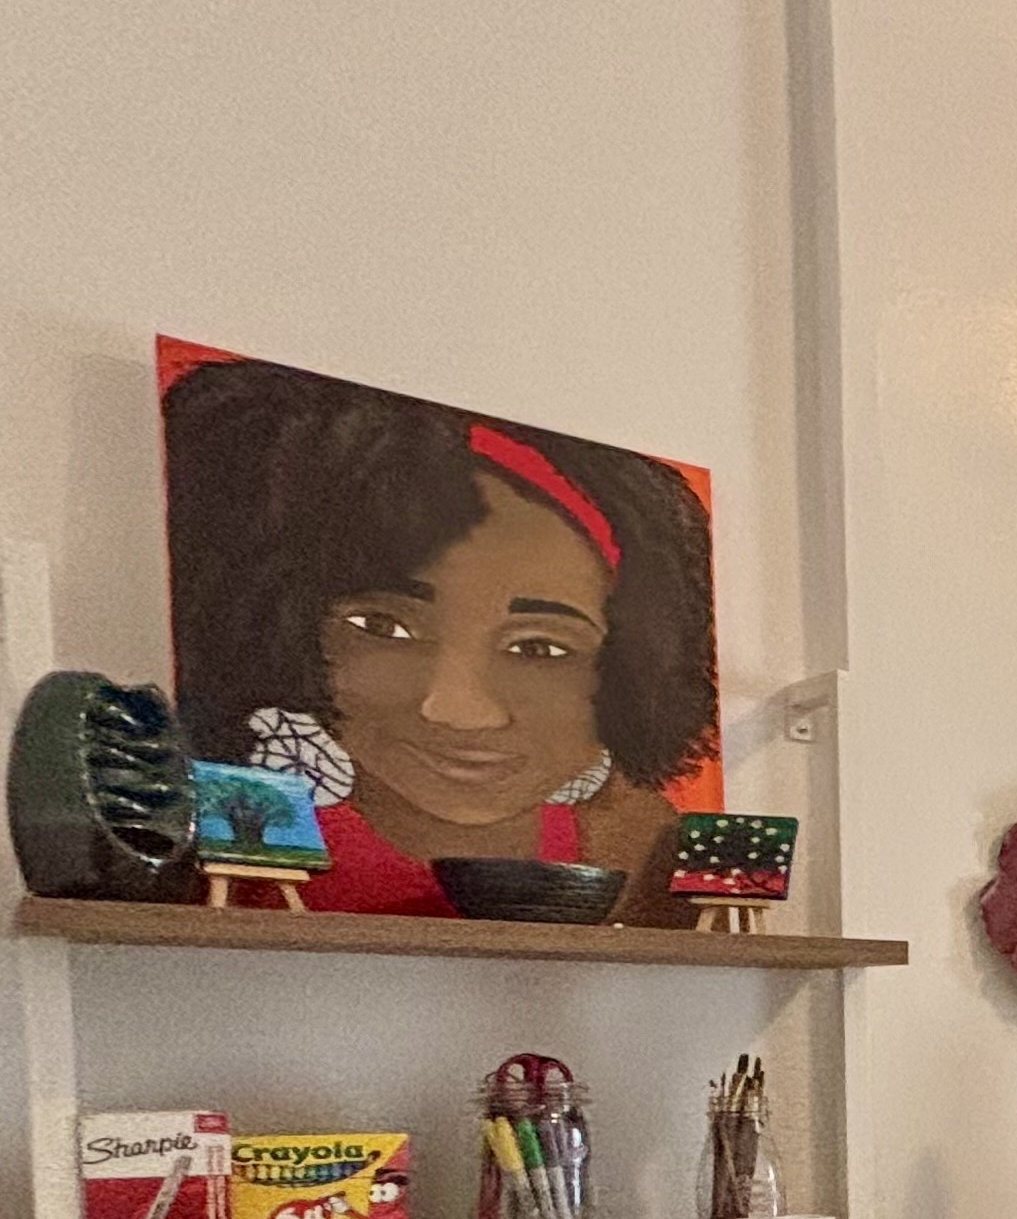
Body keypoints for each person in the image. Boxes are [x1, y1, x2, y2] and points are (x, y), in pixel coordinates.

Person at [163, 352, 717, 917]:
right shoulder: (251, 822)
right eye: (384, 628)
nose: (458, 711)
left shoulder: (638, 841)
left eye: (538, 648)